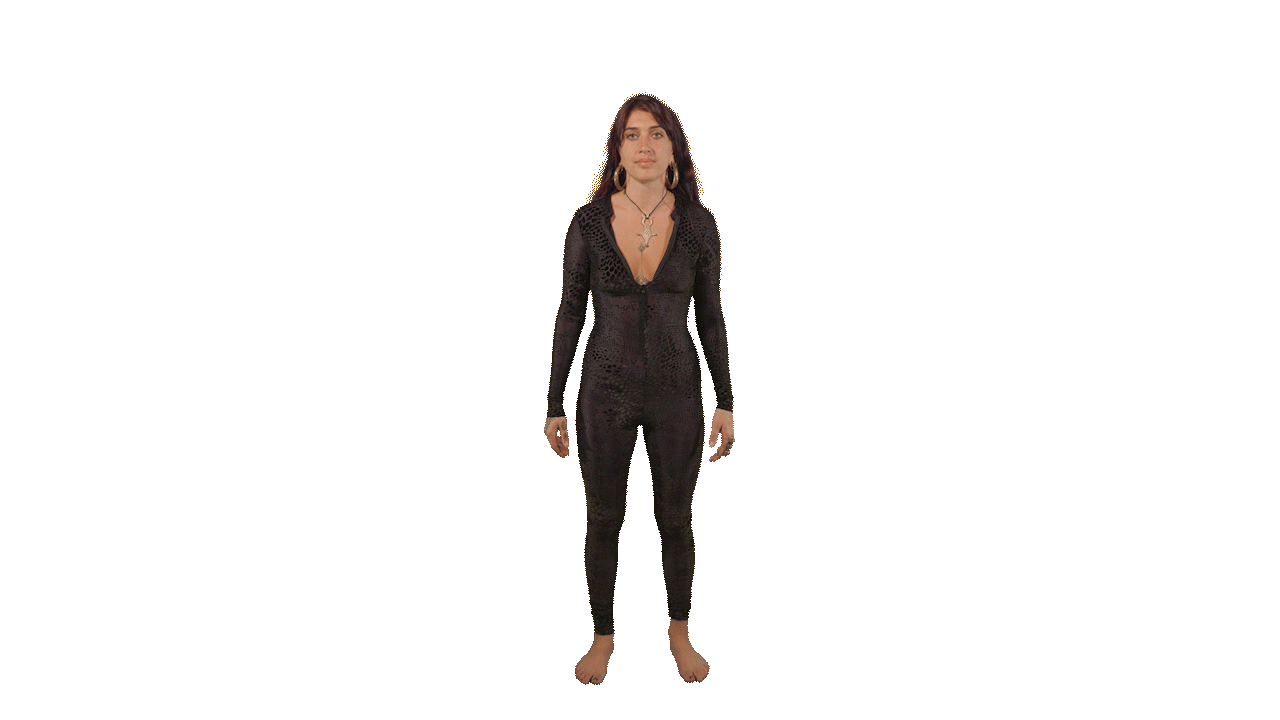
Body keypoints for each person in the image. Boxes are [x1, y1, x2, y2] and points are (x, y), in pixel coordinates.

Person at [545, 95, 734, 685]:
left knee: (676, 520)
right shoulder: (588, 223)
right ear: (618, 151)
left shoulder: (699, 224)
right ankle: (603, 637)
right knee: (603, 520)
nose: (645, 145)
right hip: (602, 394)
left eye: (656, 133)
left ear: (673, 149)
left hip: (678, 396)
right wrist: (553, 403)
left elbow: (711, 319)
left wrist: (726, 400)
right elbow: (570, 314)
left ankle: (679, 634)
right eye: (632, 135)